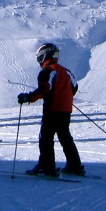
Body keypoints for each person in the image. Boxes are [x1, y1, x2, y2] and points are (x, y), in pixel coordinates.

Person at [17, 43, 85, 177]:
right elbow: (74, 87)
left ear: (44, 56)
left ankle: (46, 167)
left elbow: (44, 89)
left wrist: (27, 98)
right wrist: (63, 95)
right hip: (66, 110)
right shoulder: (66, 71)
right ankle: (75, 166)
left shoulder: (47, 71)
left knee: (46, 138)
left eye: (39, 57)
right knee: (64, 136)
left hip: (52, 109)